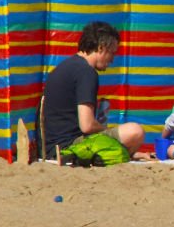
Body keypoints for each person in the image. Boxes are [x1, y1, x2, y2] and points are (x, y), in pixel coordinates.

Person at [42, 21, 151, 160]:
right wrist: (105, 130)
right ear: (101, 48)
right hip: (70, 148)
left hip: (51, 147)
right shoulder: (86, 72)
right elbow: (87, 125)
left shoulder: (65, 67)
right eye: (112, 53)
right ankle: (122, 155)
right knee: (135, 131)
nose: (112, 59)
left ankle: (126, 154)